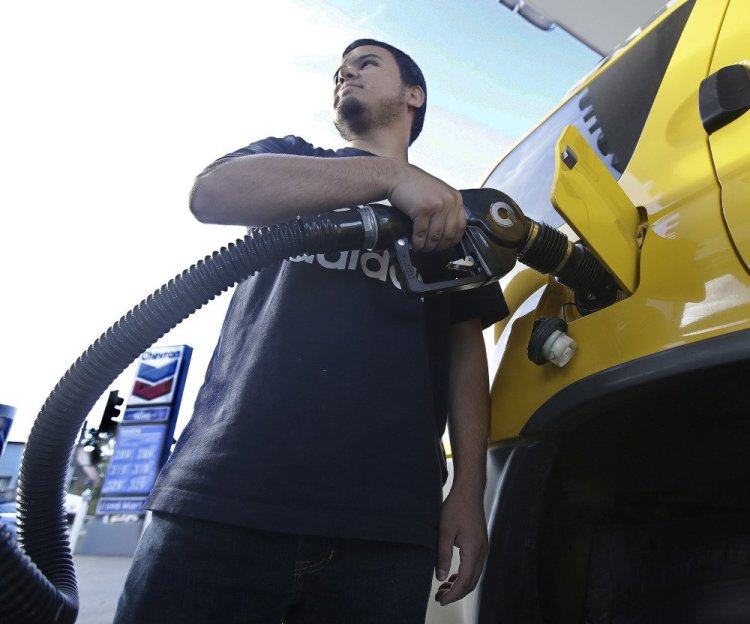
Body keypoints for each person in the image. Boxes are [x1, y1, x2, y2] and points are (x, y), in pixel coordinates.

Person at [114, 39, 508, 623]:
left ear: (413, 95)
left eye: (367, 64)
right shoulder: (293, 160)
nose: (346, 72)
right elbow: (213, 193)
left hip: (386, 522)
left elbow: (465, 355)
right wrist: (389, 177)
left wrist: (469, 493)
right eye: (340, 71)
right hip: (225, 495)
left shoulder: (451, 212)